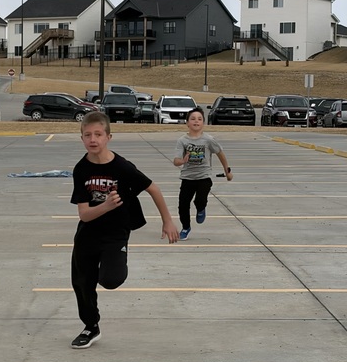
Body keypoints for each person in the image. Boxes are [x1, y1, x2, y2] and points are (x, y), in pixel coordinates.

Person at [70, 110, 179, 349]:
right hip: (88, 233)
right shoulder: (81, 169)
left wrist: (168, 221)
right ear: (82, 138)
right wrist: (107, 205)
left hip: (115, 233)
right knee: (82, 282)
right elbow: (84, 214)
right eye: (87, 135)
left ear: (109, 137)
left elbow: (153, 189)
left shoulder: (122, 167)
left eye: (98, 134)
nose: (93, 139)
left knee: (111, 280)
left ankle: (115, 260)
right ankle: (91, 326)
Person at [173, 106, 232, 239]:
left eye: (199, 119)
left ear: (203, 123)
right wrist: (182, 161)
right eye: (193, 119)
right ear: (187, 123)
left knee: (199, 200)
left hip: (204, 177)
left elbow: (220, 154)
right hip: (187, 178)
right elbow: (176, 161)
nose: (196, 121)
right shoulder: (182, 141)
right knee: (183, 205)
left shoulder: (208, 140)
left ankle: (201, 209)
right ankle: (186, 228)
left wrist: (227, 171)